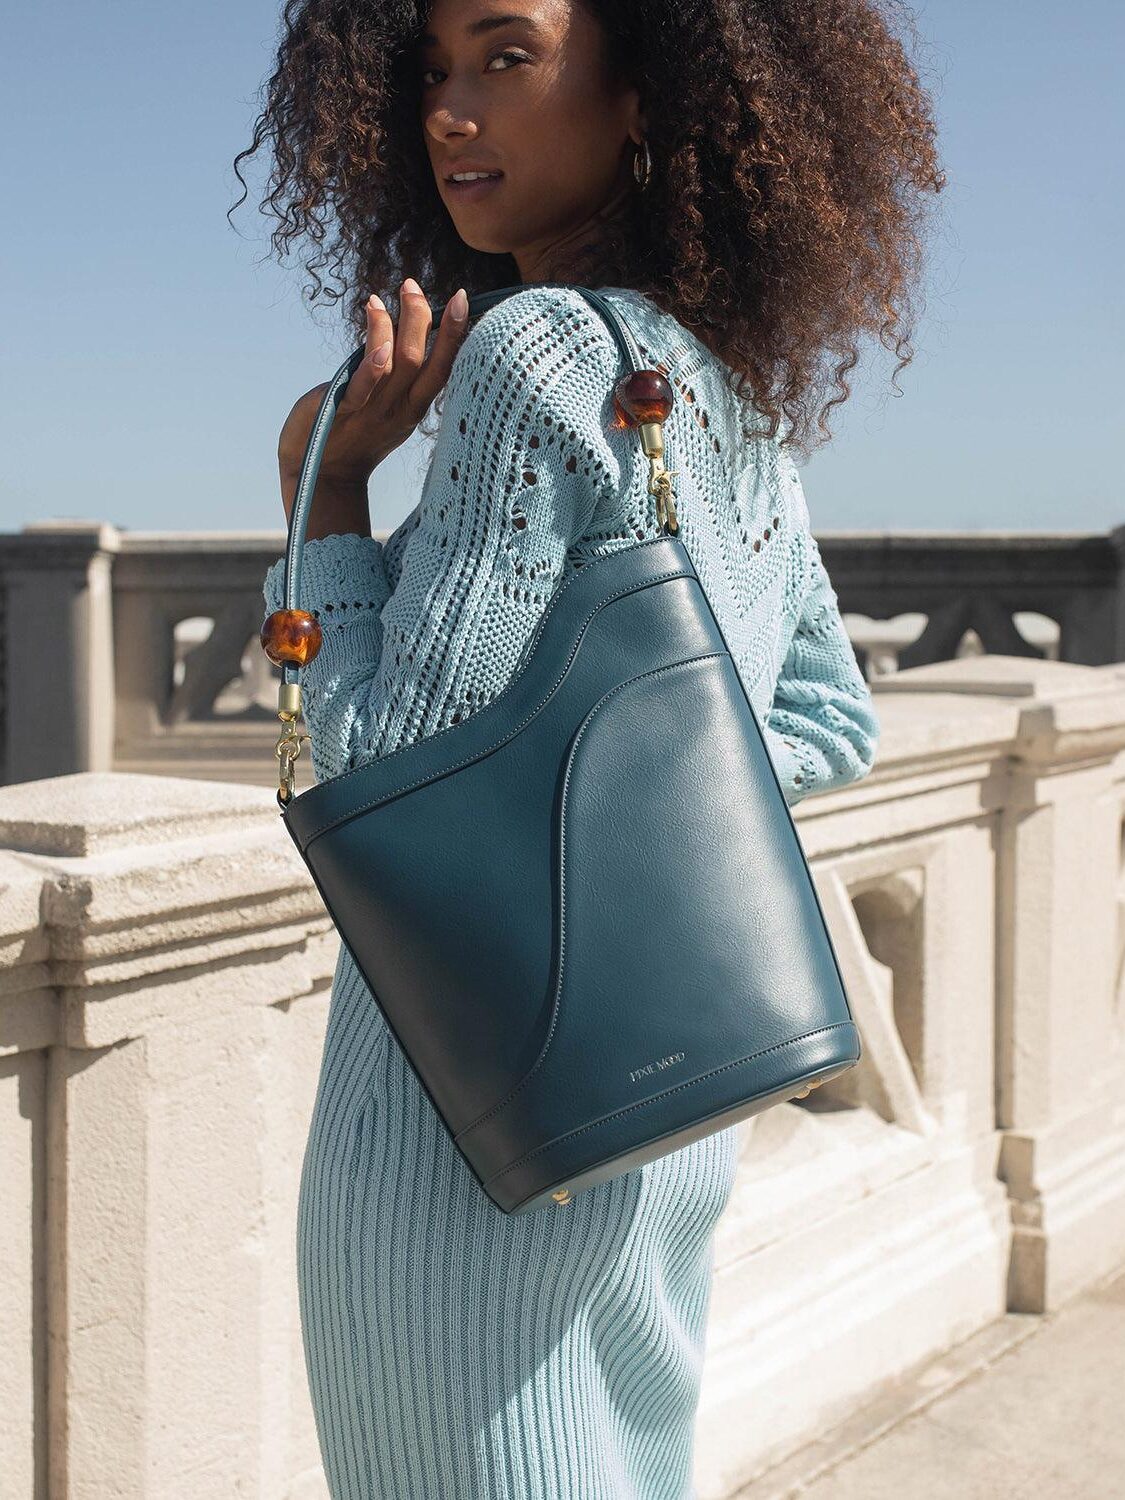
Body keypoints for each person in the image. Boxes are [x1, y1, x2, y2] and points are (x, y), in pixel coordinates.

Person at [238, 1, 943, 1494]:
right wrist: (637, 818)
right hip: (672, 1101)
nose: (450, 110)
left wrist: (327, 493)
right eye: (433, 71)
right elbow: (829, 716)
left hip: (465, 1142)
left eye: (507, 57)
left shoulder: (536, 349)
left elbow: (378, 772)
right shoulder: (716, 385)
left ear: (642, 96)